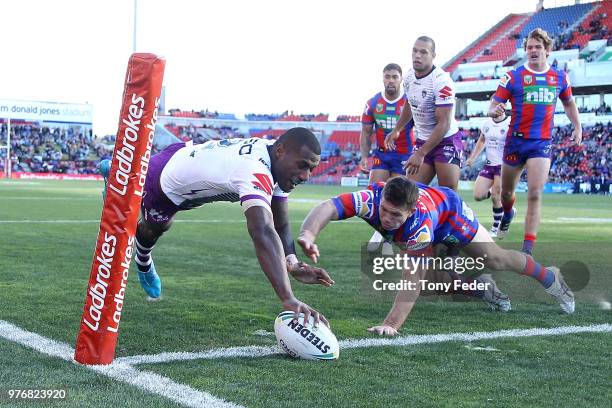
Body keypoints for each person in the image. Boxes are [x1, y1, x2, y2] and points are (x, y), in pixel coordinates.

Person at [101, 127, 334, 325]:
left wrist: (292, 264)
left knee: (161, 223)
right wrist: (287, 298)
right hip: (162, 184)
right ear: (281, 151)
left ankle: (119, 175)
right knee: (154, 228)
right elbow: (262, 230)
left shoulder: (277, 157)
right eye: (302, 166)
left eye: (311, 169)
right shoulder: (255, 168)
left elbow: (280, 223)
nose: (305, 176)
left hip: (184, 155)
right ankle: (122, 192)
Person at [298, 176, 575, 336]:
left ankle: (550, 276)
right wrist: (309, 234)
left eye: (396, 215)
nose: (386, 218)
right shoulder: (371, 199)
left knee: (495, 259)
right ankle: (482, 289)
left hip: (450, 215)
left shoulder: (418, 224)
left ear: (410, 210)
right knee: (435, 284)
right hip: (429, 222)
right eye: (384, 210)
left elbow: (411, 278)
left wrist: (390, 324)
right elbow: (328, 206)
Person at [488, 28, 582, 254]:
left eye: (538, 47)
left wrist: (577, 126)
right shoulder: (512, 77)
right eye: (529, 47)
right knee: (506, 194)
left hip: (541, 144)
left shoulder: (560, 77)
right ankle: (508, 213)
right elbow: (493, 104)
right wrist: (495, 110)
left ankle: (527, 250)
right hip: (515, 143)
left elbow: (569, 103)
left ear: (547, 50)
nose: (533, 51)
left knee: (534, 193)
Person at [385, 36, 464, 191]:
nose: (417, 55)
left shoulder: (442, 81)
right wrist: (397, 130)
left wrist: (420, 153)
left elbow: (444, 123)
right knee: (409, 194)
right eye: (414, 51)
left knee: (448, 196)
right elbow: (410, 104)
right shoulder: (408, 77)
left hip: (446, 141)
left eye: (423, 52)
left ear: (433, 56)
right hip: (423, 141)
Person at [359, 63, 415, 254]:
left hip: (404, 156)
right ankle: (381, 234)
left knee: (398, 199)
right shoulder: (373, 103)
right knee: (375, 193)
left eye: (394, 77)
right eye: (387, 77)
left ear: (401, 79)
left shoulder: (409, 102)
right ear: (382, 78)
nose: (390, 80)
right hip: (382, 154)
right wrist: (364, 156)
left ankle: (389, 239)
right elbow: (366, 133)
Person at [465, 107, 510, 237]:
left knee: (496, 196)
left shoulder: (510, 123)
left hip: (504, 165)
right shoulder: (487, 123)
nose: (495, 108)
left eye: (498, 105)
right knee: (478, 195)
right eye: (493, 105)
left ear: (503, 108)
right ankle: (508, 207)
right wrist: (473, 157)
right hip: (490, 164)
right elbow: (482, 139)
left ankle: (496, 228)